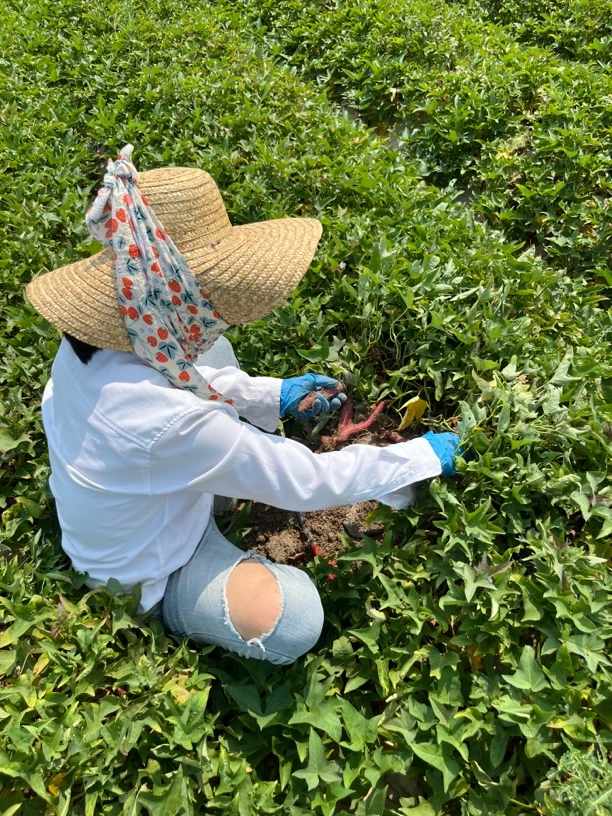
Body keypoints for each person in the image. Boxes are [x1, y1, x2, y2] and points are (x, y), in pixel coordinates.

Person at [25, 145, 461, 666]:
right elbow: (306, 484)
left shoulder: (93, 345)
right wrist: (424, 457)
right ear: (170, 303)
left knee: (213, 353)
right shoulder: (165, 423)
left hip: (158, 494)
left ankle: (224, 496)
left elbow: (183, 379)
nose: (222, 315)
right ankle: (177, 606)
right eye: (212, 301)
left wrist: (269, 394)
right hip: (152, 567)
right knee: (294, 621)